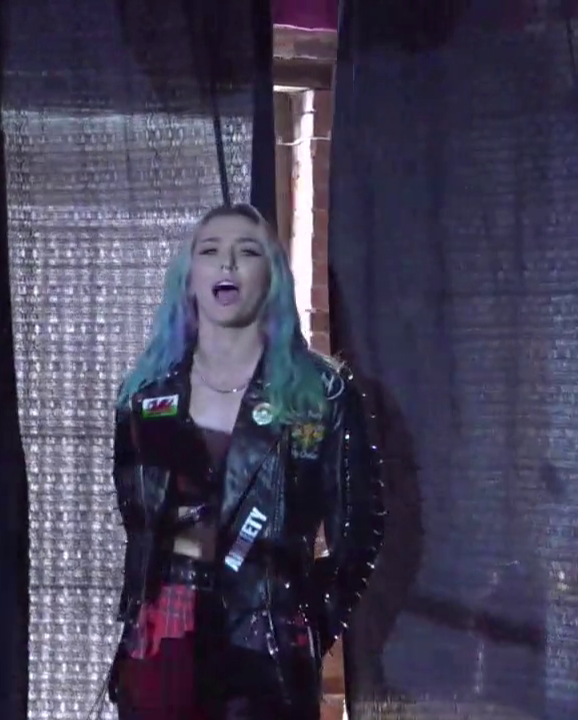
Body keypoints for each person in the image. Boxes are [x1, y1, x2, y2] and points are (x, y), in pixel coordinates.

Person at [105, 203, 386, 719]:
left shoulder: (321, 394)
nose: (227, 264)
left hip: (266, 661)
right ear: (189, 278)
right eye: (210, 251)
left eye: (247, 252)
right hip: (162, 655)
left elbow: (361, 531)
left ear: (272, 277)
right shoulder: (143, 397)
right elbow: (139, 531)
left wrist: (306, 624)